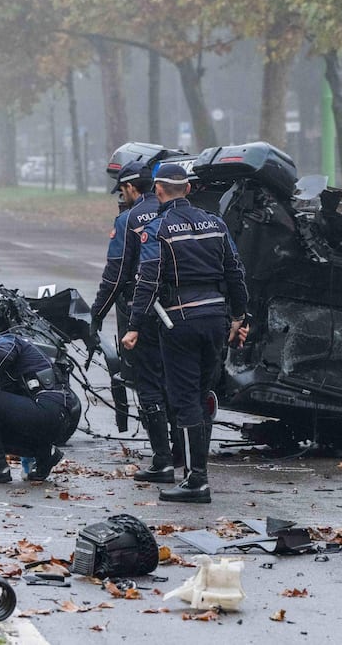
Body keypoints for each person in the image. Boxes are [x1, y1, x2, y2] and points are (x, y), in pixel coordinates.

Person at [122, 162, 248, 503]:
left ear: (158, 191)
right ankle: (197, 473)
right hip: (216, 321)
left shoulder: (160, 228)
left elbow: (147, 280)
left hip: (179, 322)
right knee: (204, 393)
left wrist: (133, 326)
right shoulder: (216, 223)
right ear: (189, 189)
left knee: (185, 400)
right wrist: (240, 317)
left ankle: (196, 481)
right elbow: (235, 272)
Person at [91, 161, 178, 483]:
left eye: (122, 191)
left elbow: (115, 276)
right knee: (178, 383)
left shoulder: (129, 220)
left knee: (149, 384)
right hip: (183, 311)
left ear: (130, 188)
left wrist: (96, 314)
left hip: (143, 313)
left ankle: (162, 461)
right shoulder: (182, 215)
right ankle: (183, 454)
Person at [0, 317, 71, 483]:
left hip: (51, 409)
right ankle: (45, 454)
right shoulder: (7, 370)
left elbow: (4, 352)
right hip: (48, 419)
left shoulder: (7, 341)